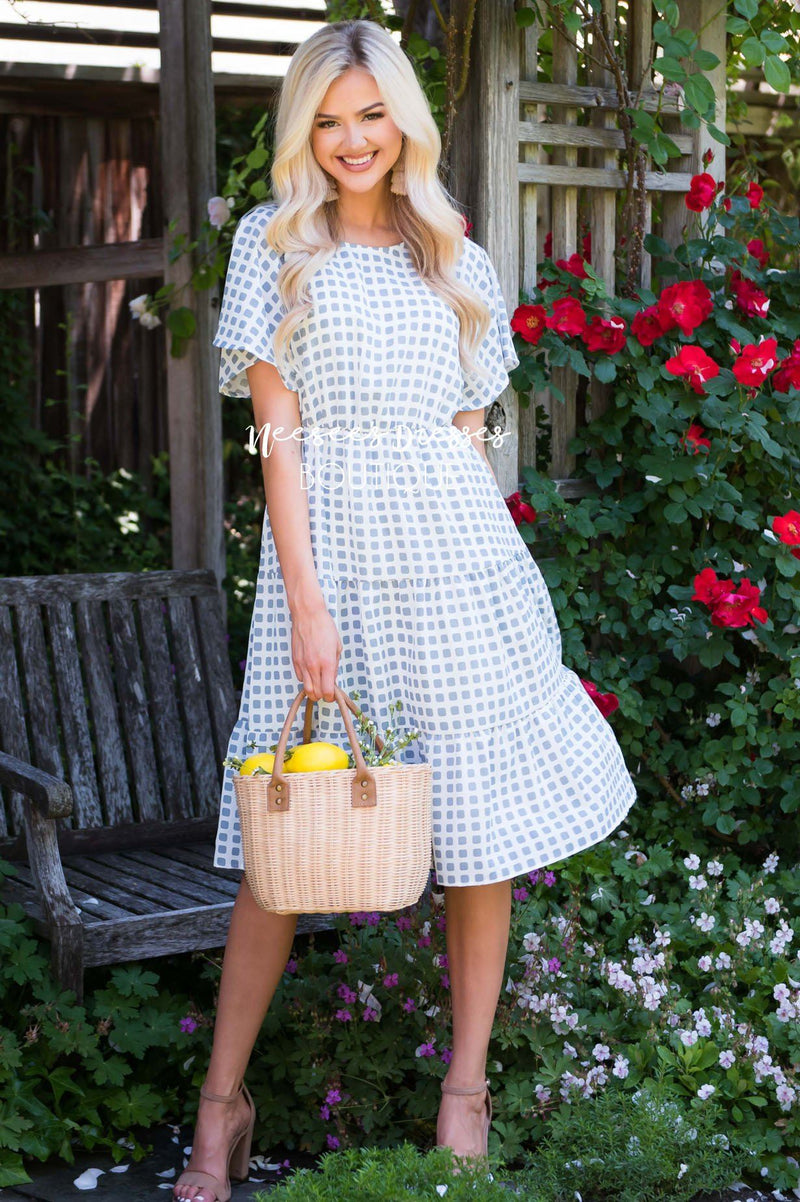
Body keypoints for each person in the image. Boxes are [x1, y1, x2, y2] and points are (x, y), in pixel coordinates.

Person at [173, 18, 637, 1202]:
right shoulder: (273, 244)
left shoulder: (454, 253)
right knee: (281, 842)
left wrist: (485, 553)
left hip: (456, 561)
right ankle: (221, 1105)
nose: (351, 140)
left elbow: (468, 431)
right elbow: (276, 439)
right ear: (303, 132)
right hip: (327, 559)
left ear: (404, 121)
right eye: (328, 121)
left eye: (370, 114)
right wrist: (305, 599)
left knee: (478, 829)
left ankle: (463, 1099)